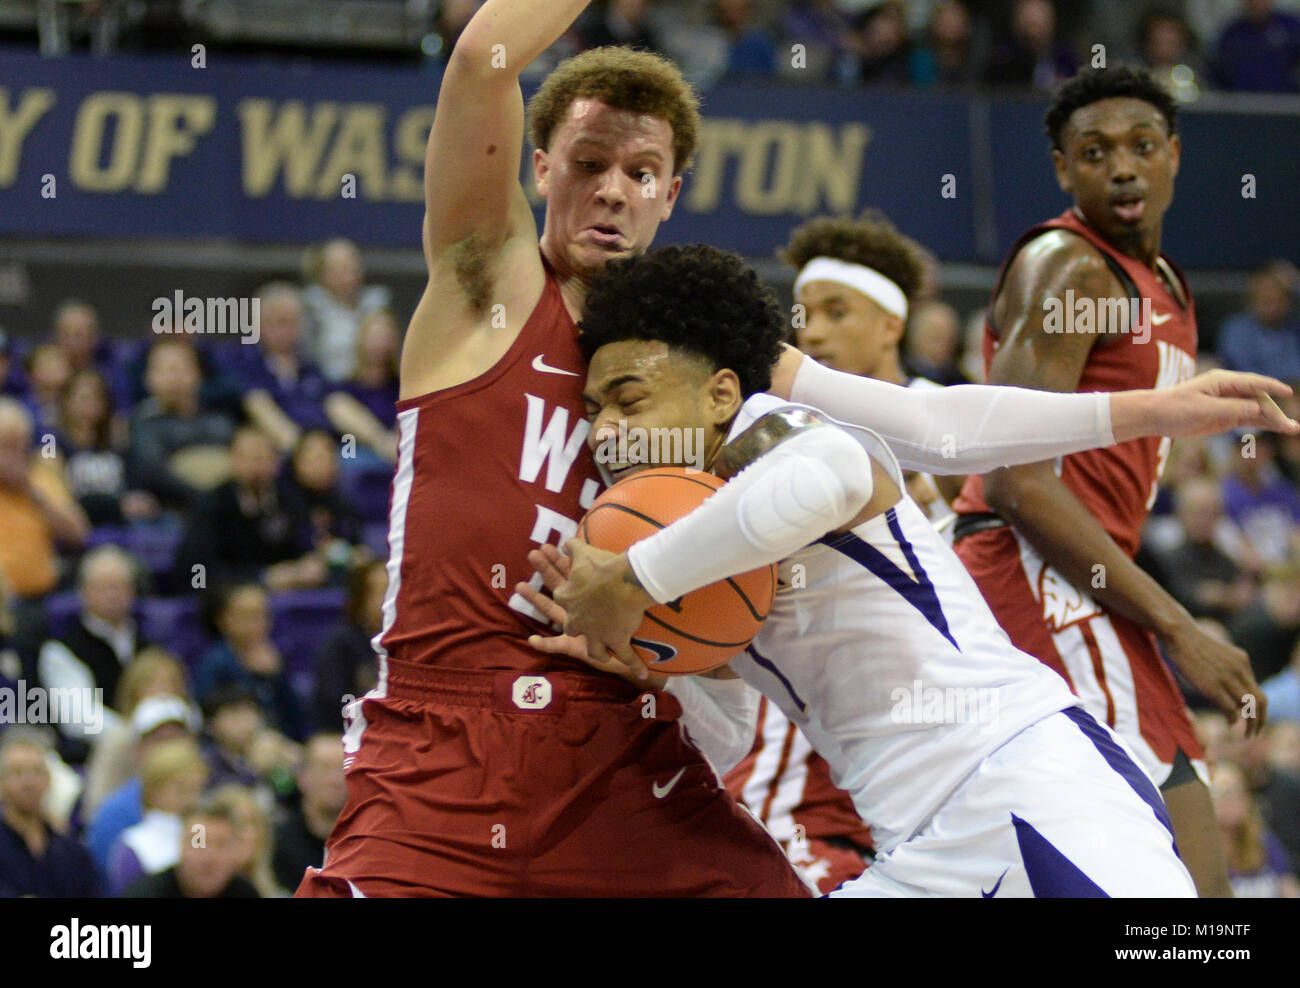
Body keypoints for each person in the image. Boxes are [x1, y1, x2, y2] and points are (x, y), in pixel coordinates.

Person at [301, 0, 1299, 900]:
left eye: (639, 173)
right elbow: (483, 56)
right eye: (590, 162)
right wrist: (669, 646)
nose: (612, 191)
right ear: (539, 167)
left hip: (653, 755)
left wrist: (1143, 414)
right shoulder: (486, 289)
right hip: (452, 737)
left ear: (671, 195)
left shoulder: (722, 375)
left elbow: (930, 426)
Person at [518, 243, 1255, 896]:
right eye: (594, 410)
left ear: (720, 394)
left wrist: (631, 581)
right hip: (915, 847)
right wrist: (645, 664)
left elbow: (837, 472)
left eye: (629, 400)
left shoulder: (770, 435)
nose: (607, 431)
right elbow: (729, 737)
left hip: (1021, 778)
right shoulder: (690, 538)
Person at [948, 66, 1263, 898]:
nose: (1121, 168)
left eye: (1140, 147)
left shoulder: (1167, 283)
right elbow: (1016, 477)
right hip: (1032, 568)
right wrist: (1181, 624)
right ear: (1062, 169)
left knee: (1189, 868)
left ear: (1175, 156)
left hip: (1092, 578)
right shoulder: (1070, 269)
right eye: (1094, 153)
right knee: (1173, 871)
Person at [37, 545, 152, 764]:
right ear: (83, 592)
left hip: (156, 752)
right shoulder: (61, 650)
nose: (112, 594)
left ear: (133, 591)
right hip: (99, 757)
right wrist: (142, 735)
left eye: (119, 586)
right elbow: (80, 719)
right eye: (103, 587)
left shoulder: (149, 644)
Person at [0, 730, 103, 897]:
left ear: (49, 780)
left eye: (37, 771)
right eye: (17, 772)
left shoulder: (72, 852)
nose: (29, 782)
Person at [104, 736, 208, 895]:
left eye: (197, 789)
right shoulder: (136, 845)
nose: (191, 800)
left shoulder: (201, 833)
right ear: (154, 791)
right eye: (182, 789)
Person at [123, 795, 259, 898]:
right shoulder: (145, 894)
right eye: (198, 844)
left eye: (221, 845)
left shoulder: (245, 892)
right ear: (181, 846)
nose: (209, 857)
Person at [272, 733, 346, 892]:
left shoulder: (367, 843)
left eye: (343, 769)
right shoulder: (277, 845)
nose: (335, 780)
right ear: (302, 777)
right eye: (323, 768)